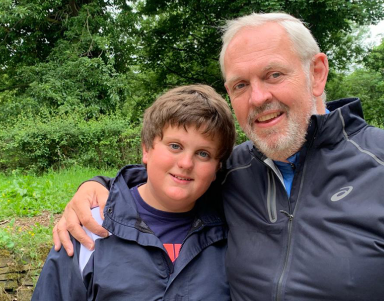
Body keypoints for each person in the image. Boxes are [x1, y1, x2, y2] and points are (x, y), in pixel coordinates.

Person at [53, 13, 384, 300]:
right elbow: (170, 178)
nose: (259, 98)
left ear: (317, 73)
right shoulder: (235, 172)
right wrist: (102, 188)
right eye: (240, 85)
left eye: (274, 74)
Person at [32, 84, 235, 300]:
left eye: (203, 153)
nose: (186, 163)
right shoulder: (91, 227)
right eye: (175, 146)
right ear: (146, 149)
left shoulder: (234, 229)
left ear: (217, 168)